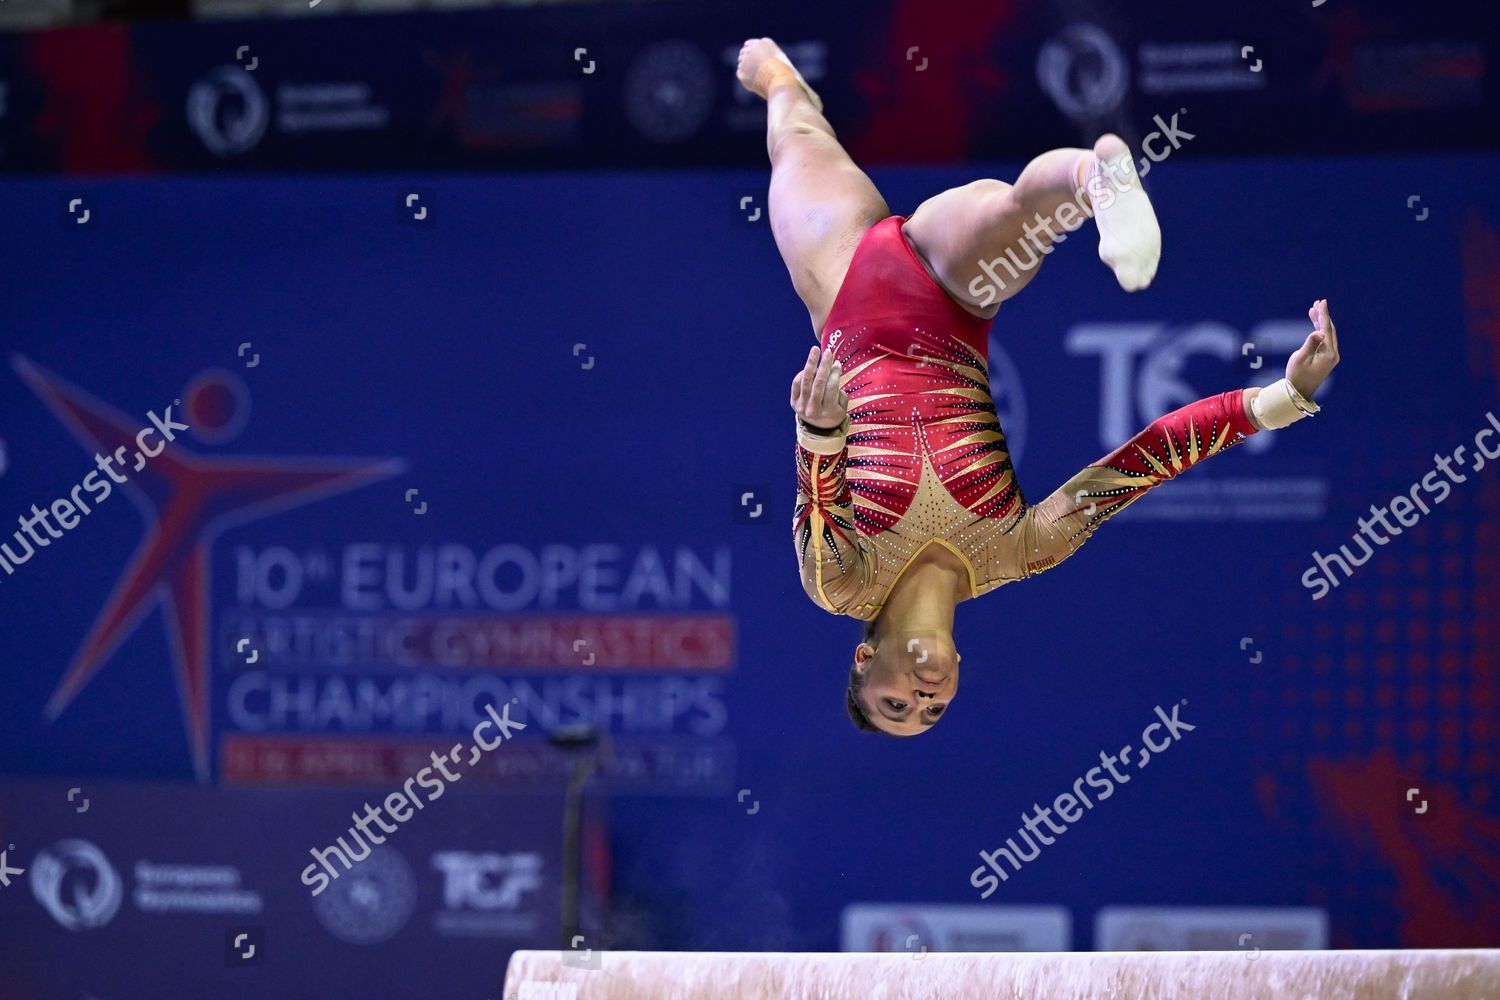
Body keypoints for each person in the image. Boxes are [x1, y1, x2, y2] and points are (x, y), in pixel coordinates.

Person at [735, 38, 1341, 736]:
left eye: (895, 702)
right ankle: (1097, 177)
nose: (923, 694)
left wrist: (821, 430)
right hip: (952, 299)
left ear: (865, 658)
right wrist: (1284, 398)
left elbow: (820, 493)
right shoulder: (1018, 552)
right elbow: (1144, 462)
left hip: (842, 283)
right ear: (959, 670)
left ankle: (780, 77)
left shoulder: (841, 583)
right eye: (932, 710)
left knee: (797, 131)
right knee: (1021, 216)